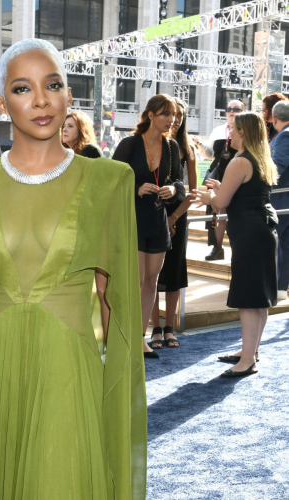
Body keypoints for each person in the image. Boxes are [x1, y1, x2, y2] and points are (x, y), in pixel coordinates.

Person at [0, 38, 146, 500]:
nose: (40, 100)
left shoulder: (109, 181)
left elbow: (113, 300)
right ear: (2, 103)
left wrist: (112, 395)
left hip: (67, 375)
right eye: (23, 88)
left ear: (68, 97)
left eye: (53, 84)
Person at [194, 112, 278, 377]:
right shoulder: (261, 158)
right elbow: (246, 192)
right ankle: (250, 352)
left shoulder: (240, 162)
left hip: (250, 232)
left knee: (247, 298)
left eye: (233, 128)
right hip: (262, 230)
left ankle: (247, 360)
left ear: (244, 132)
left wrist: (208, 196)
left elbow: (220, 203)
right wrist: (220, 189)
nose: (229, 133)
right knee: (258, 298)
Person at [113, 94, 185, 359]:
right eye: (166, 114)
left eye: (174, 115)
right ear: (151, 114)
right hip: (132, 219)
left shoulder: (171, 147)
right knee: (135, 280)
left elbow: (180, 184)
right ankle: (125, 337)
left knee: (151, 281)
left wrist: (171, 188)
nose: (171, 120)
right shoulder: (130, 144)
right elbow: (109, 181)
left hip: (157, 220)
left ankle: (140, 338)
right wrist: (135, 188)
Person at [150, 98, 197, 348]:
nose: (175, 120)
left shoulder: (187, 149)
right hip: (153, 214)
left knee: (175, 273)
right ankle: (155, 327)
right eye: (171, 114)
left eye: (179, 116)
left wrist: (174, 217)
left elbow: (192, 192)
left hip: (178, 216)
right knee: (152, 274)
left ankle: (169, 327)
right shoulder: (154, 144)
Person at [193, 99, 244, 261]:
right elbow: (209, 154)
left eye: (236, 109)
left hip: (237, 172)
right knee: (216, 210)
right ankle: (217, 247)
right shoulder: (218, 130)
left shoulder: (245, 129)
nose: (231, 111)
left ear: (243, 110)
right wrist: (200, 145)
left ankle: (238, 248)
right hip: (218, 172)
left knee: (236, 211)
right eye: (229, 108)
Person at [270, 100, 289, 300]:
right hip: (284, 201)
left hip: (281, 200)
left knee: (275, 245)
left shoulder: (284, 136)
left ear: (274, 119)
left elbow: (278, 165)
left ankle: (278, 286)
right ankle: (280, 287)